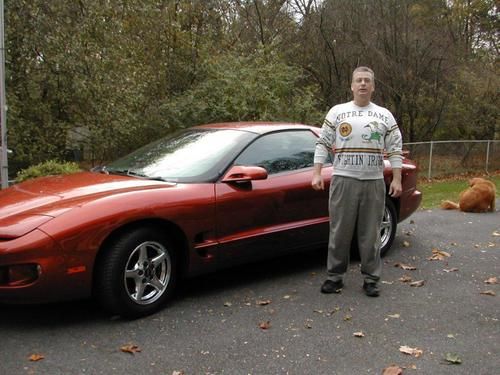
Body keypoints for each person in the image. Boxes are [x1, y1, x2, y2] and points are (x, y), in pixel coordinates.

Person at [311, 66, 403, 297]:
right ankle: (335, 277)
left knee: (370, 234)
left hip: (373, 182)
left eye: (367, 81)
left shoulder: (384, 115)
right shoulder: (337, 112)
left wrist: (398, 179)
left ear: (373, 87)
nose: (362, 84)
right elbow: (323, 143)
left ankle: (371, 279)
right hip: (343, 179)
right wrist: (317, 172)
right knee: (339, 231)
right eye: (358, 80)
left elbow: (395, 148)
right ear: (351, 86)